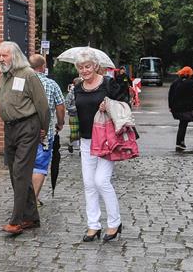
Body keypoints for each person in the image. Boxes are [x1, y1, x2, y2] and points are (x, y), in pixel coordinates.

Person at [0, 42, 49, 236]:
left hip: (28, 126)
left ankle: (16, 220)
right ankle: (31, 217)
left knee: (20, 172)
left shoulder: (28, 74)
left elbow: (42, 105)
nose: (1, 59)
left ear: (15, 55)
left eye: (5, 55)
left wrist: (43, 128)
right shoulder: (5, 75)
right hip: (10, 128)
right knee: (16, 173)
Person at [73, 51, 124, 242]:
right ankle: (93, 225)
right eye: (80, 67)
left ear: (95, 66)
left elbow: (124, 105)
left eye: (87, 66)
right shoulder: (78, 87)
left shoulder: (108, 84)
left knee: (101, 181)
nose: (84, 70)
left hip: (106, 139)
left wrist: (108, 105)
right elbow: (75, 109)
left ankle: (114, 222)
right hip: (86, 140)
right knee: (89, 184)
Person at [29, 54, 65, 203]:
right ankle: (32, 200)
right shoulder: (51, 84)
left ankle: (23, 199)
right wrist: (60, 123)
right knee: (39, 165)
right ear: (43, 67)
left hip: (23, 132)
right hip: (44, 132)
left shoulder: (22, 82)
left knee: (24, 165)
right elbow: (60, 107)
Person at [168, 66, 193, 152]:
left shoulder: (175, 82)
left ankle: (180, 142)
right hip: (186, 108)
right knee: (183, 125)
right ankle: (180, 142)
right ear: (188, 74)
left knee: (182, 124)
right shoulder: (190, 83)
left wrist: (170, 106)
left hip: (176, 108)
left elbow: (170, 95)